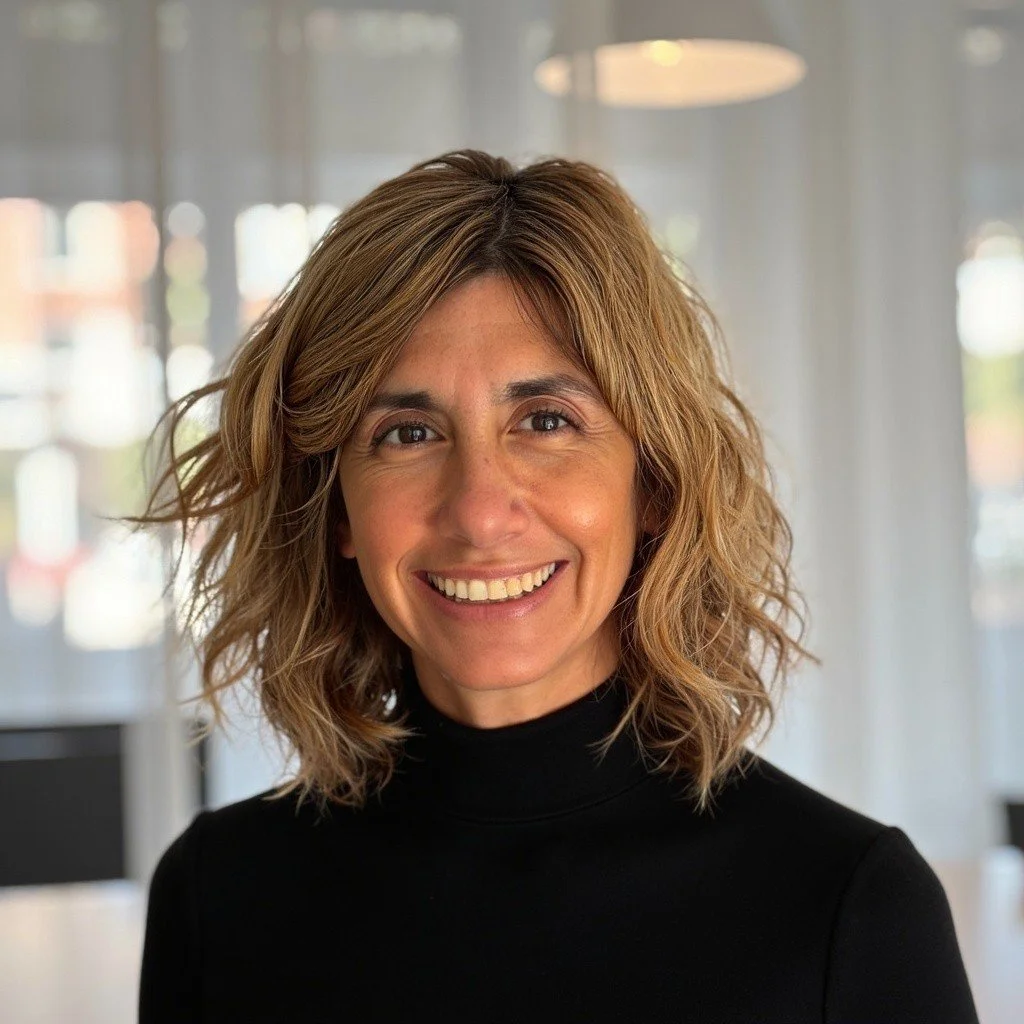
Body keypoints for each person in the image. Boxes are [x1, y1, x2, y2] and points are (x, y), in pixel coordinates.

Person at [133, 150, 979, 1023]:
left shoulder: (848, 904)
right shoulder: (217, 895)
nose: (479, 513)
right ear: (336, 508)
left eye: (546, 421)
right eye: (407, 433)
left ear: (652, 484)